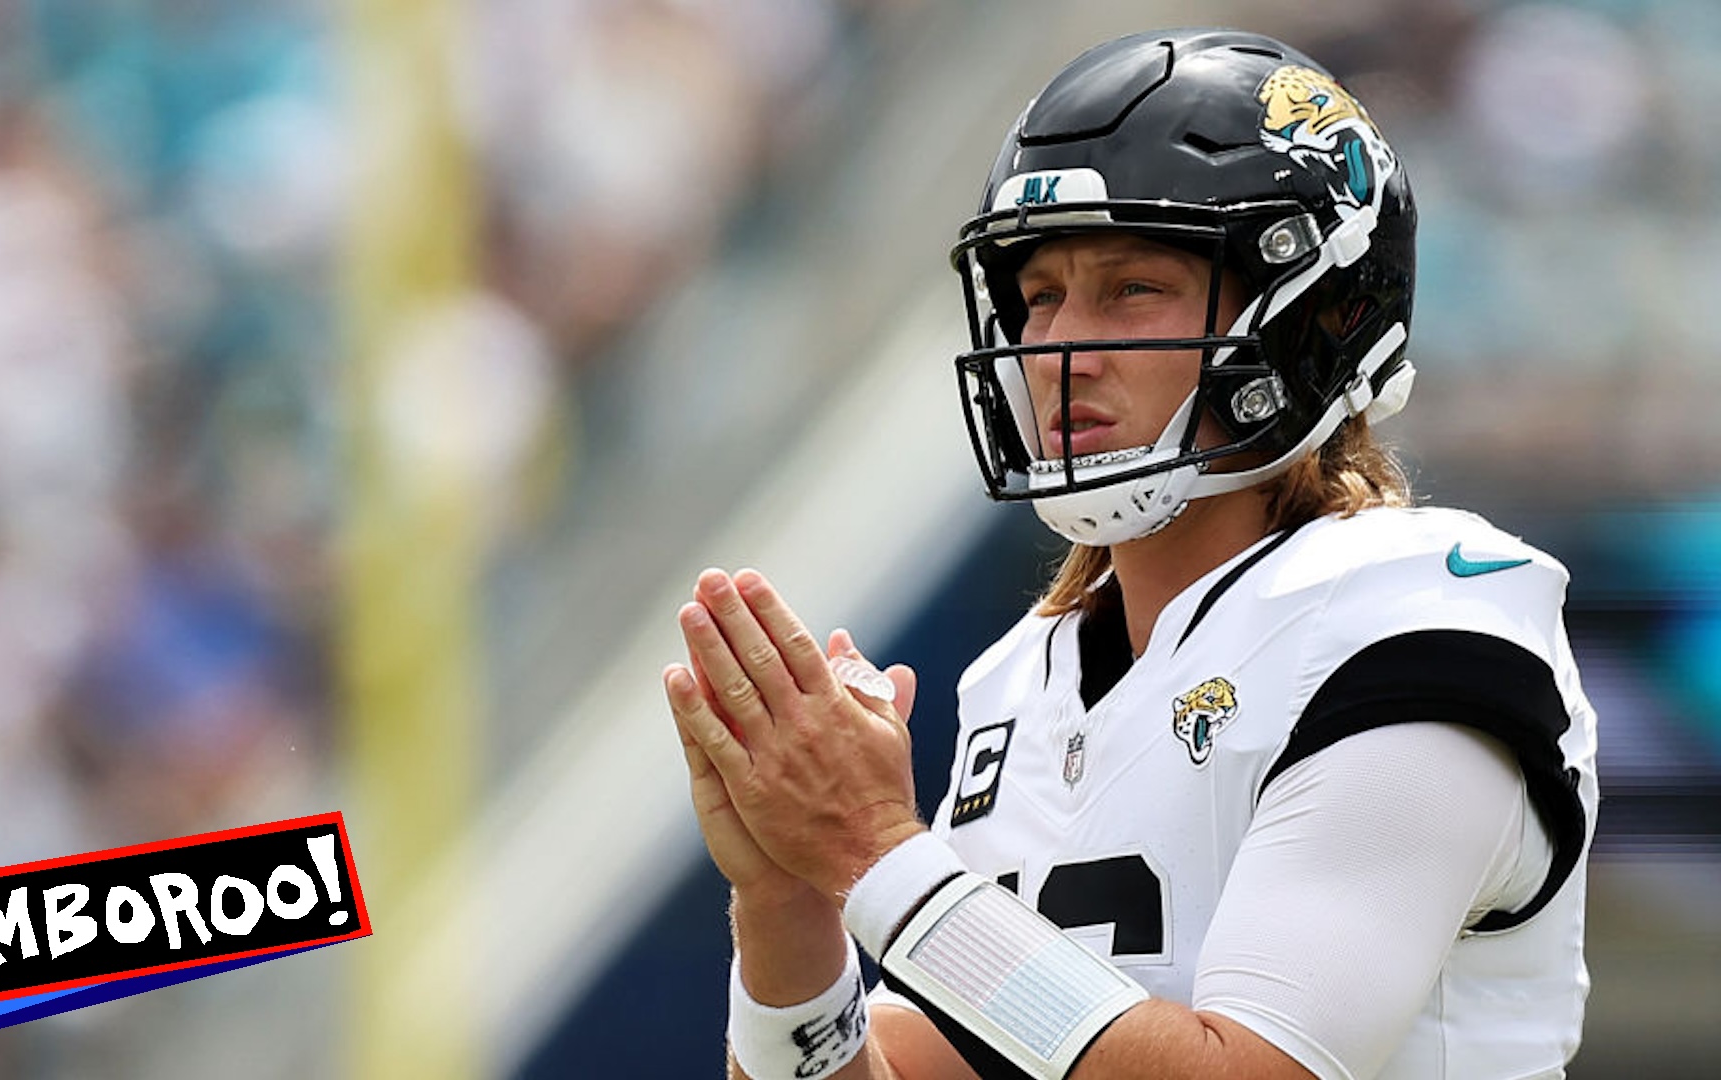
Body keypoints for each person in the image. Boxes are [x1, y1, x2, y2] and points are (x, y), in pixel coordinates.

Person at [664, 27, 1597, 1080]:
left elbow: (1249, 1072)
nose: (1060, 350)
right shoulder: (1027, 677)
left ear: (1311, 317)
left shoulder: (1410, 624)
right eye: (1040, 298)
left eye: (1132, 289)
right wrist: (789, 905)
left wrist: (872, 846)